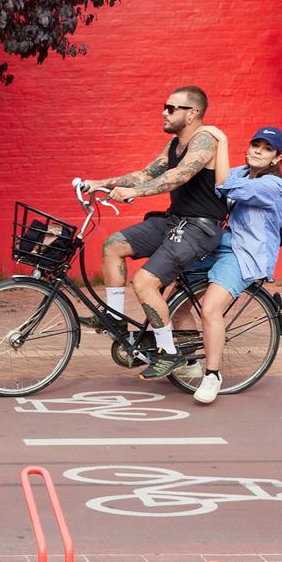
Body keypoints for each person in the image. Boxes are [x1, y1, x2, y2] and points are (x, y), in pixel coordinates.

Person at [81, 86, 227, 379]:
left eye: (171, 108)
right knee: (113, 245)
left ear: (192, 114)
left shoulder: (204, 141)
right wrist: (101, 183)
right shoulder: (174, 144)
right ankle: (115, 318)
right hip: (174, 221)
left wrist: (134, 193)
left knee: (145, 282)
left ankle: (168, 352)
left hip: (198, 229)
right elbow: (146, 173)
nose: (164, 112)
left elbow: (179, 176)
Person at [190, 125, 282, 404]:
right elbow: (210, 183)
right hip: (219, 243)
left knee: (210, 308)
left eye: (267, 149)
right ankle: (187, 362)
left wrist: (221, 140)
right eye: (255, 145)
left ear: (276, 158)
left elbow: (223, 185)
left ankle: (212, 375)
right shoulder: (239, 172)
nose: (258, 151)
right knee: (171, 284)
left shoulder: (274, 186)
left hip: (245, 253)